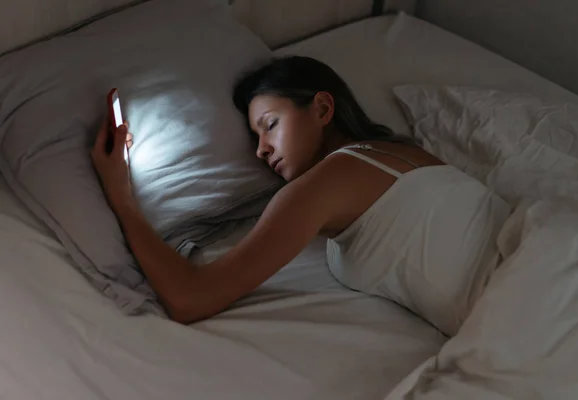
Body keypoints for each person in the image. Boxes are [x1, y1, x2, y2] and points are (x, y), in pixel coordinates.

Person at [92, 56, 507, 331]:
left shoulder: (332, 178)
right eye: (256, 136)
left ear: (323, 110)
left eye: (270, 124)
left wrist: (121, 196)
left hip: (519, 299)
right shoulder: (405, 152)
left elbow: (190, 299)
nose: (260, 150)